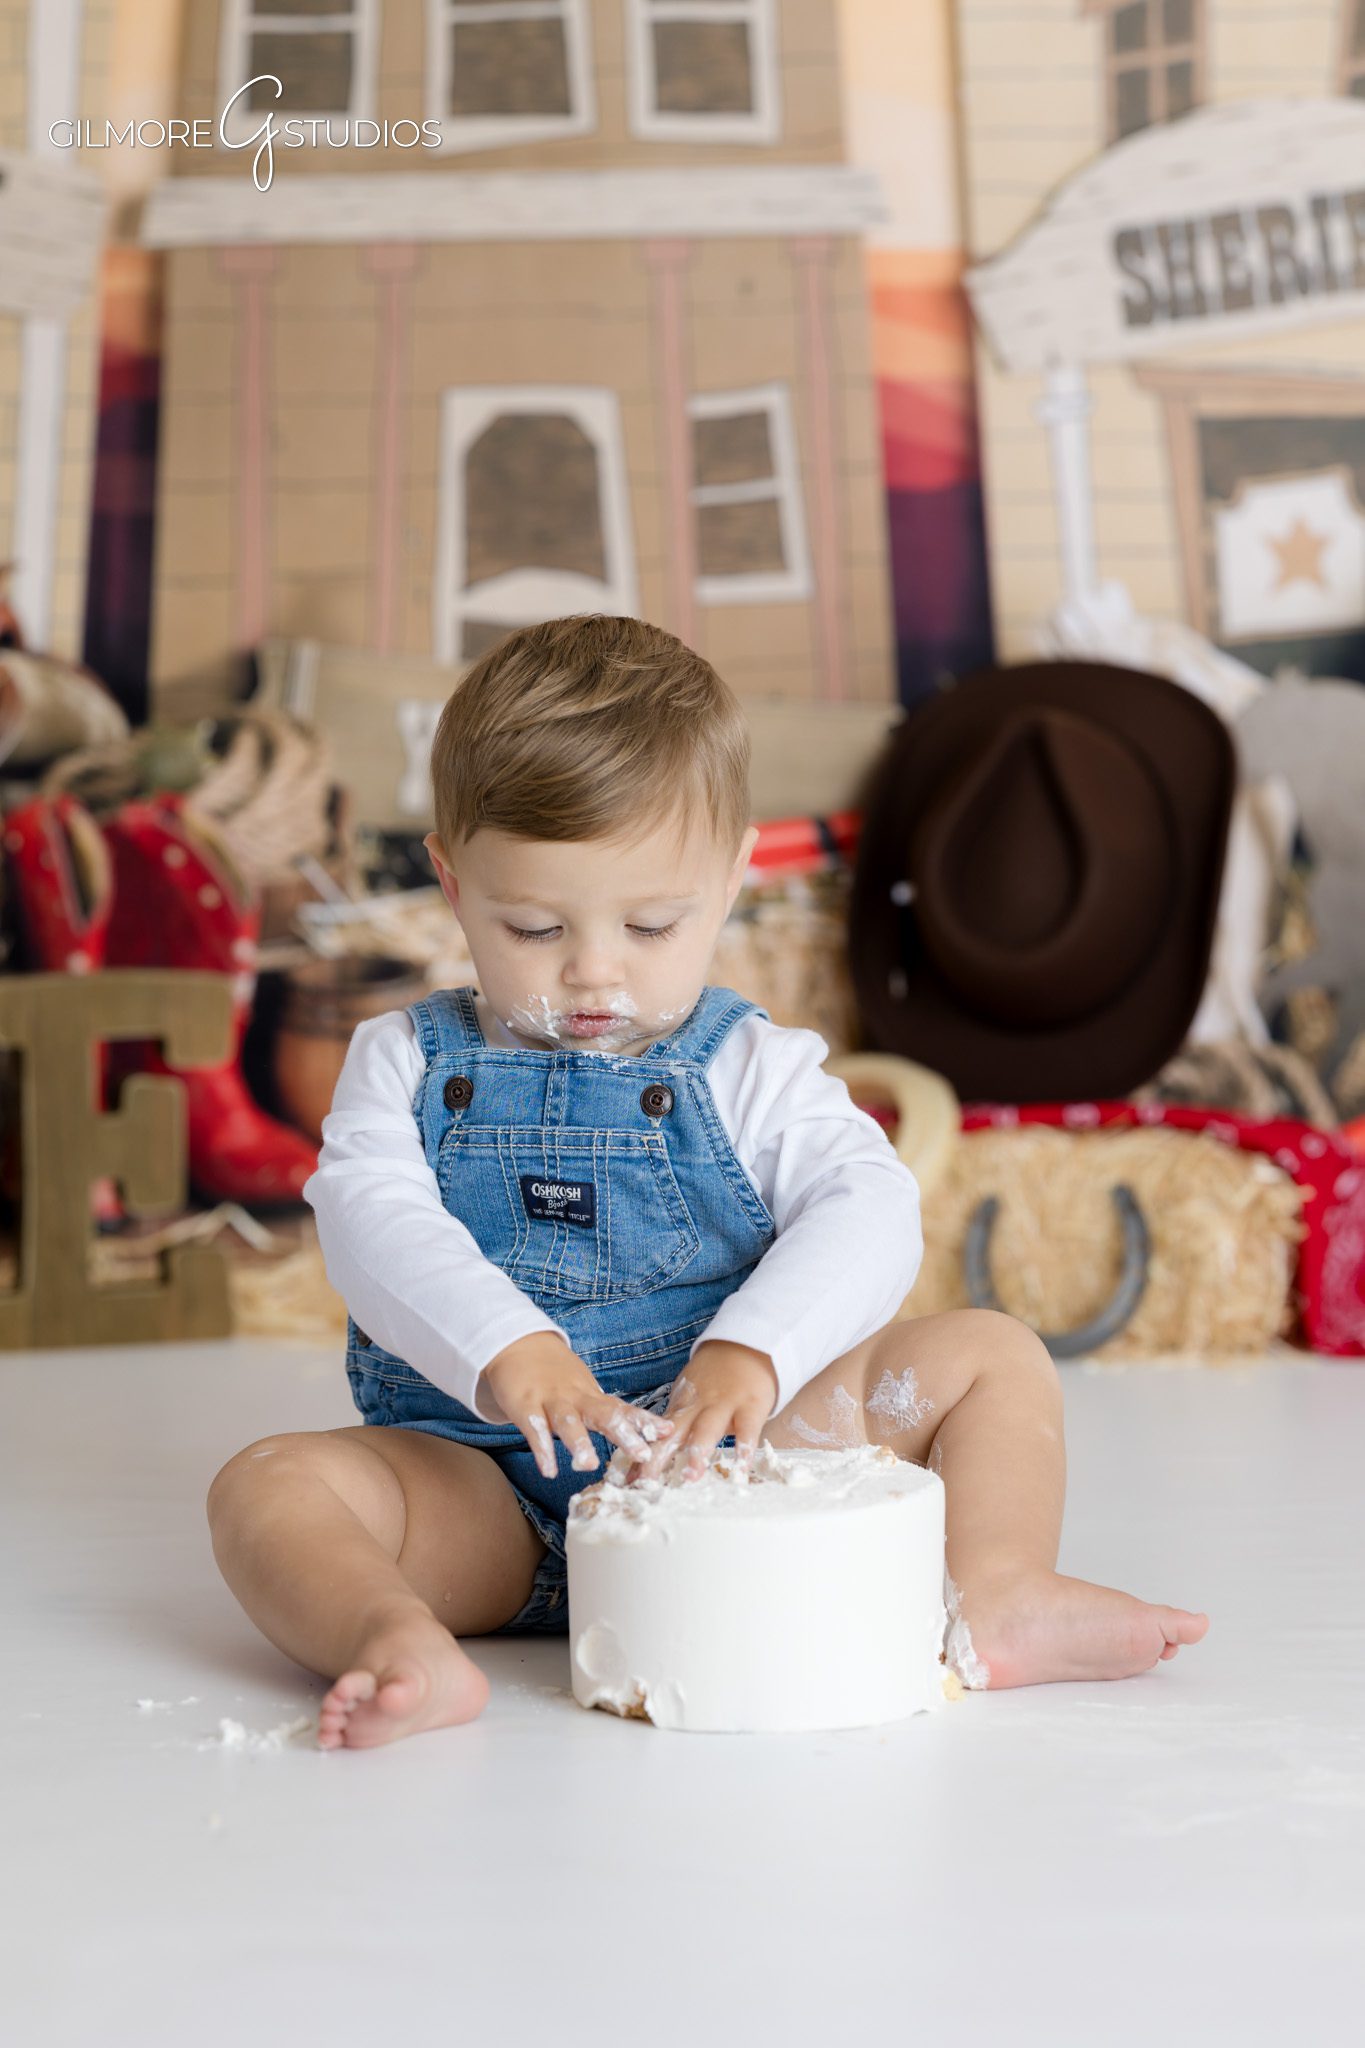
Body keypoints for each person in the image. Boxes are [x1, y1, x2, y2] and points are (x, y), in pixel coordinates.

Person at [205, 615, 1209, 1750]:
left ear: (731, 878)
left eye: (651, 924)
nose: (593, 971)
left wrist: (753, 1352)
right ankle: (396, 1639)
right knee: (267, 1483)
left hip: (728, 1467)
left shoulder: (751, 1067)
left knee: (992, 1354)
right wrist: (508, 1348)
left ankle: (998, 1592)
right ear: (451, 879)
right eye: (531, 926)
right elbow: (370, 1222)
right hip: (481, 1492)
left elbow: (868, 1205)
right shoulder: (403, 1060)